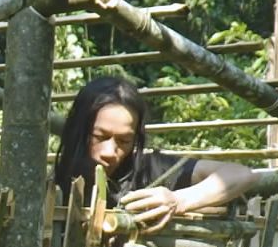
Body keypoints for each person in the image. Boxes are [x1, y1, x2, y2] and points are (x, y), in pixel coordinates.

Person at [53, 76, 260, 230]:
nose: (110, 152)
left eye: (124, 141)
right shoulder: (49, 185)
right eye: (99, 136)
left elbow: (241, 175)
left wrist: (179, 200)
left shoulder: (148, 170)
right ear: (79, 130)